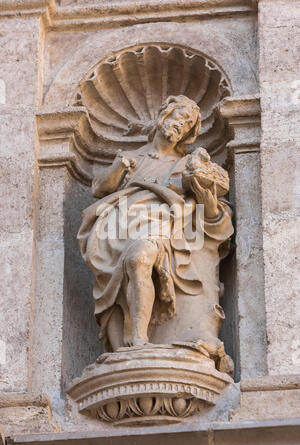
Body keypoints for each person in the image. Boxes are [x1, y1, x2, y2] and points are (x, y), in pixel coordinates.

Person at [78, 95, 233, 350]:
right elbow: (99, 188)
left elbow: (214, 216)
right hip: (118, 225)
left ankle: (139, 340)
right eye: (179, 117)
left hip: (162, 221)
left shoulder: (186, 165)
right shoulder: (129, 158)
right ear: (164, 115)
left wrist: (206, 197)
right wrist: (120, 167)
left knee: (139, 257)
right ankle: (128, 341)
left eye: (186, 125)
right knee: (130, 265)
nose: (180, 125)